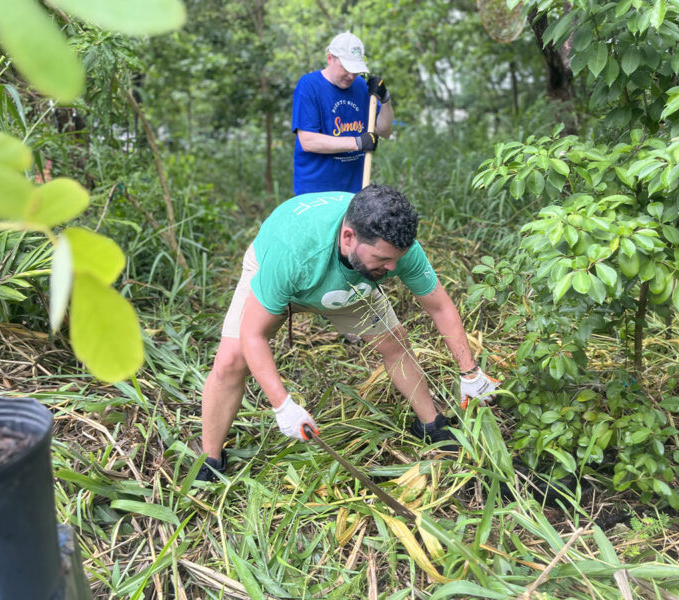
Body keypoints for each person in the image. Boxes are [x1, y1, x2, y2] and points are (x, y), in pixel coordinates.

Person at [196, 185, 498, 481]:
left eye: (396, 258)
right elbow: (253, 335)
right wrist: (283, 405)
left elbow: (440, 307)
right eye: (383, 259)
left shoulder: (397, 249)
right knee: (231, 361)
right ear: (349, 237)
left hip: (351, 284)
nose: (393, 267)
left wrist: (469, 372)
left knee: (395, 344)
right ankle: (210, 459)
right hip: (287, 277)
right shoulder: (293, 250)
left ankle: (431, 425)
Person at [291, 32, 394, 195]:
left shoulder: (361, 86)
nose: (351, 75)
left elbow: (385, 131)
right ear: (330, 59)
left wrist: (386, 99)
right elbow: (308, 141)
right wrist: (357, 142)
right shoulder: (309, 86)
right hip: (315, 192)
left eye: (356, 70)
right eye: (346, 68)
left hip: (354, 191)